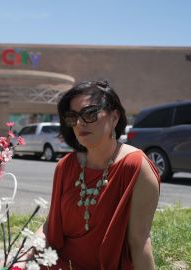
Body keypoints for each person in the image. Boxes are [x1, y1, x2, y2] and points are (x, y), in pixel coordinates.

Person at [35, 80, 160, 269]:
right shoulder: (65, 166)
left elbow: (139, 241)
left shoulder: (136, 167)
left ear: (114, 117)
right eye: (72, 116)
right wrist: (28, 248)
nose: (79, 123)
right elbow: (50, 226)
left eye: (90, 113)